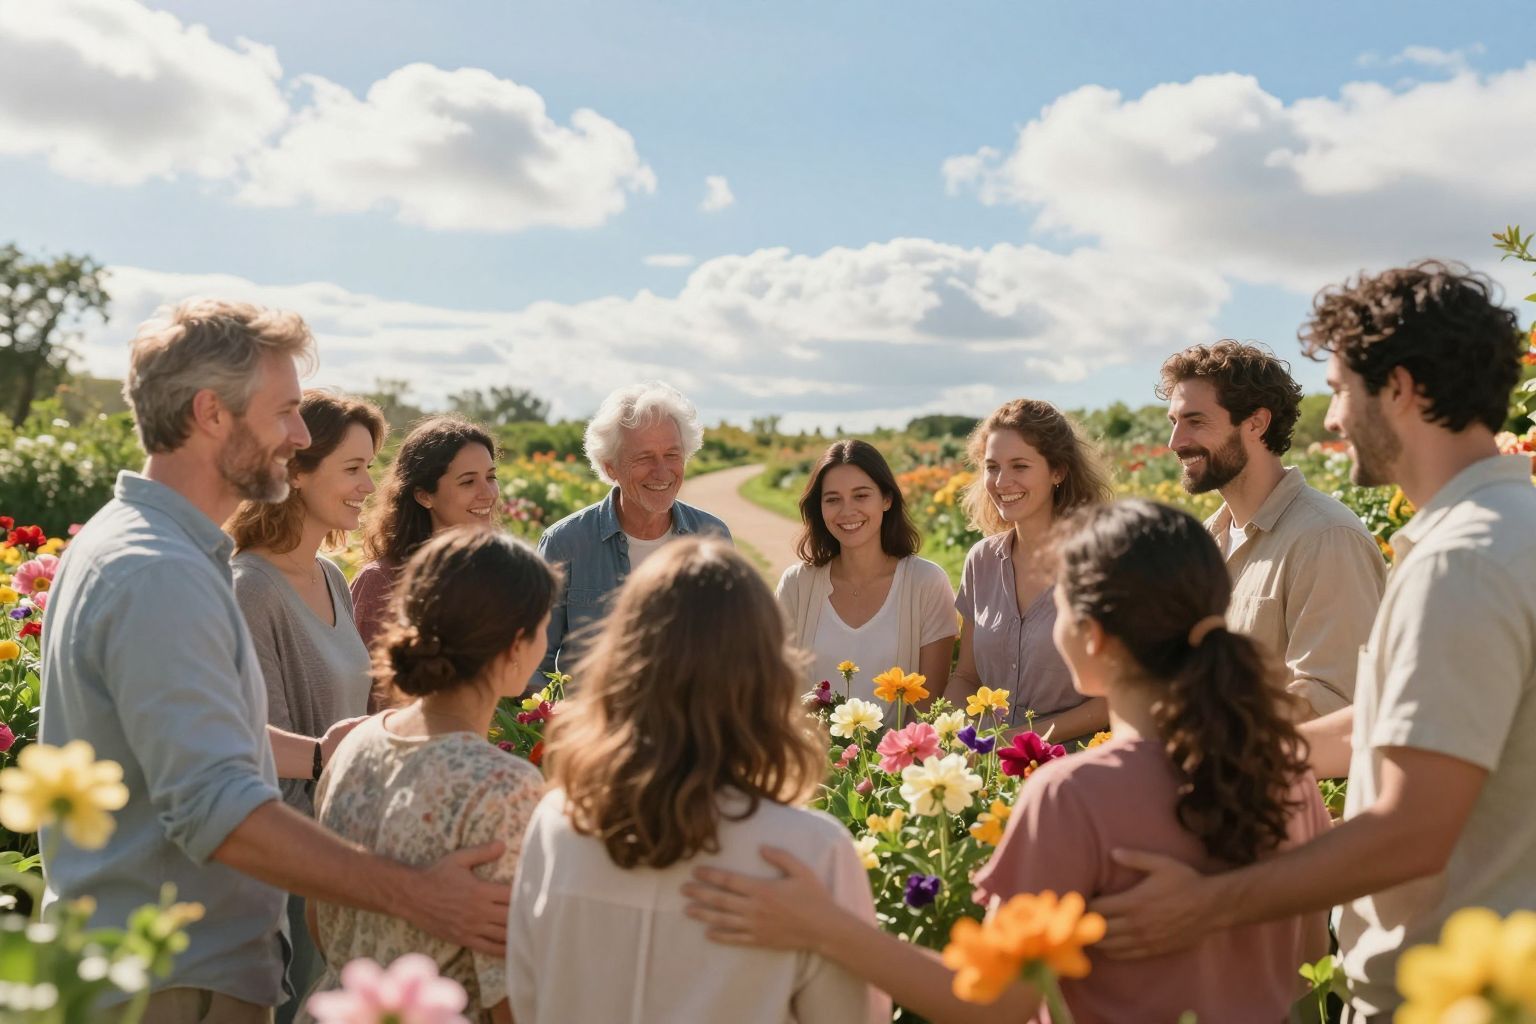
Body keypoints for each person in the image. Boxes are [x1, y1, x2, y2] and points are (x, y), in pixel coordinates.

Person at [37, 300, 510, 1021]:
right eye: (286, 411)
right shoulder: (158, 569)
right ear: (212, 414)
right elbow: (216, 808)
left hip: (167, 968)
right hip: (171, 981)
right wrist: (416, 893)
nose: (298, 435)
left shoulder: (140, 545)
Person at [680, 501, 1329, 1024]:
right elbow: (1308, 955)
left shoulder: (1073, 795)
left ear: (1092, 636)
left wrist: (824, 926)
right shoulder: (1285, 773)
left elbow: (994, 1004)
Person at [1092, 262, 1534, 1023]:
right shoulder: (1500, 530)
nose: (1331, 420)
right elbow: (1385, 726)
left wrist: (1204, 904)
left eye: (1339, 390)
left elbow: (1410, 830)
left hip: (1452, 997)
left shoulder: (1461, 559)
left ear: (1397, 388)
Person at [509, 538, 890, 1024]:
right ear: (766, 672)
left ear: (622, 664)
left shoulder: (557, 823)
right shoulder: (811, 851)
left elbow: (526, 996)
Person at [305, 527, 556, 1024]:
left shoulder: (357, 741)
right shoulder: (503, 786)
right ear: (515, 645)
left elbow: (319, 918)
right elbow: (508, 994)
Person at [226, 388, 388, 1022]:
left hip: (337, 856)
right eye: (352, 468)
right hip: (285, 866)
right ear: (295, 471)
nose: (369, 485)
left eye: (370, 466)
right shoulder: (250, 587)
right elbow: (244, 740)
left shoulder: (329, 577)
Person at [1158, 340, 1385, 717]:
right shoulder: (1203, 544)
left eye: (1195, 421)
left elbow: (1336, 700)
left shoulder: (1325, 538)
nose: (1175, 442)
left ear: (1256, 423)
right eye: (1174, 422)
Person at [535, 381, 730, 682]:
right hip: (599, 726)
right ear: (610, 467)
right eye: (644, 457)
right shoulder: (565, 543)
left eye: (672, 455)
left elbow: (731, 649)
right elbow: (535, 661)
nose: (662, 471)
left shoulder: (712, 536)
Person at [949, 399, 1113, 741]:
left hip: (1073, 766)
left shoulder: (1104, 563)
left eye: (1020, 466)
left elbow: (1112, 699)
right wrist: (943, 735)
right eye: (992, 466)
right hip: (989, 764)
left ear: (1058, 471)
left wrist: (1017, 739)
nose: (1002, 481)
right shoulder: (981, 561)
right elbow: (966, 677)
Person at [776, 439, 955, 707]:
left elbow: (927, 707)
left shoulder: (926, 583)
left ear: (886, 499)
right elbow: (778, 695)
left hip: (902, 748)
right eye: (833, 499)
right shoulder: (796, 585)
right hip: (813, 748)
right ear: (820, 508)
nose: (847, 511)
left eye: (861, 496)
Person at [350, 416, 499, 655]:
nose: (488, 493)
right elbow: (368, 688)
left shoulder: (496, 574)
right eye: (468, 481)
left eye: (491, 477)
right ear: (424, 496)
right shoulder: (380, 582)